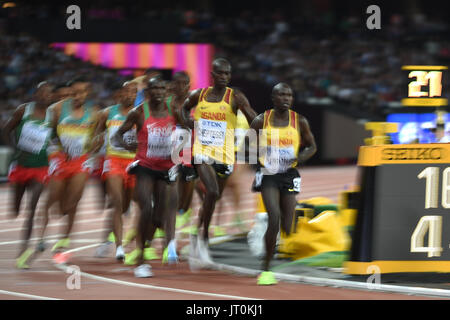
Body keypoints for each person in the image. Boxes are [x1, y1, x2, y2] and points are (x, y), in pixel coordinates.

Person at [180, 58, 257, 266]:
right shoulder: (200, 95)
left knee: (215, 197)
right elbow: (184, 108)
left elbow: (252, 116)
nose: (224, 77)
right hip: (202, 152)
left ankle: (198, 233)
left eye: (227, 74)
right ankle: (203, 239)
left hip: (225, 155)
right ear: (212, 75)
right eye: (220, 73)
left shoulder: (235, 97)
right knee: (212, 191)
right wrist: (187, 121)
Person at [250, 83, 317, 285]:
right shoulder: (261, 120)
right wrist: (259, 163)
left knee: (288, 225)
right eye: (281, 94)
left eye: (289, 95)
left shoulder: (300, 121)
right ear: (273, 97)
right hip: (269, 174)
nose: (286, 98)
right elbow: (247, 145)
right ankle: (266, 269)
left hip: (289, 174)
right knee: (275, 218)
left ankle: (262, 226)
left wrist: (300, 157)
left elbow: (312, 146)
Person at [113, 76, 179, 278]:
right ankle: (141, 260)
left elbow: (187, 129)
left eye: (162, 88)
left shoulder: (174, 111)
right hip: (145, 166)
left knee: (159, 216)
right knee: (146, 209)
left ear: (166, 91)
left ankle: (144, 244)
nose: (159, 92)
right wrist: (126, 145)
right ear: (148, 92)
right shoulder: (139, 112)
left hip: (165, 167)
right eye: (155, 89)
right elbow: (117, 135)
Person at [37, 76, 99, 258]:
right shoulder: (56, 109)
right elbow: (47, 132)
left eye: (81, 92)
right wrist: (61, 144)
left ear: (87, 93)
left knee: (72, 202)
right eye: (74, 93)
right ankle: (41, 237)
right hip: (60, 157)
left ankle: (65, 237)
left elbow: (96, 137)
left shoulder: (94, 112)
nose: (77, 96)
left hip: (81, 160)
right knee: (52, 199)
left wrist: (93, 146)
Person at [2, 82, 54, 269]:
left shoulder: (51, 116)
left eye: (49, 94)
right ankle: (15, 205)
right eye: (42, 92)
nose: (45, 96)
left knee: (32, 209)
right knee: (15, 209)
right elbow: (6, 130)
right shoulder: (22, 111)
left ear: (51, 98)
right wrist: (14, 147)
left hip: (40, 167)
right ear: (36, 94)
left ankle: (23, 251)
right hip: (21, 166)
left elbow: (56, 137)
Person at [91, 81, 137, 260]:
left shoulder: (140, 113)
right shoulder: (107, 113)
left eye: (134, 92)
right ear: (120, 94)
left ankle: (108, 238)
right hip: (113, 161)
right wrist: (96, 142)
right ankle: (119, 247)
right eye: (127, 92)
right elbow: (95, 135)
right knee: (117, 202)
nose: (130, 95)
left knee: (125, 206)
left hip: (133, 164)